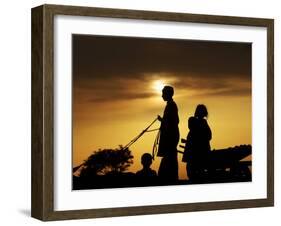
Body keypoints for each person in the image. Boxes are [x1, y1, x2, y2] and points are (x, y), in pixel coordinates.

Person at [157, 86, 180, 183]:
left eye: (163, 93)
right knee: (170, 158)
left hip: (170, 137)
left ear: (168, 94)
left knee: (169, 159)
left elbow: (175, 121)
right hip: (171, 136)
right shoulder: (170, 105)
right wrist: (162, 120)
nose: (162, 96)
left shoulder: (171, 105)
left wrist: (163, 121)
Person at [183, 104, 212, 181]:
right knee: (193, 170)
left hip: (198, 152)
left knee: (195, 170)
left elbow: (209, 136)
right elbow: (208, 136)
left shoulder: (202, 122)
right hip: (196, 151)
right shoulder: (193, 120)